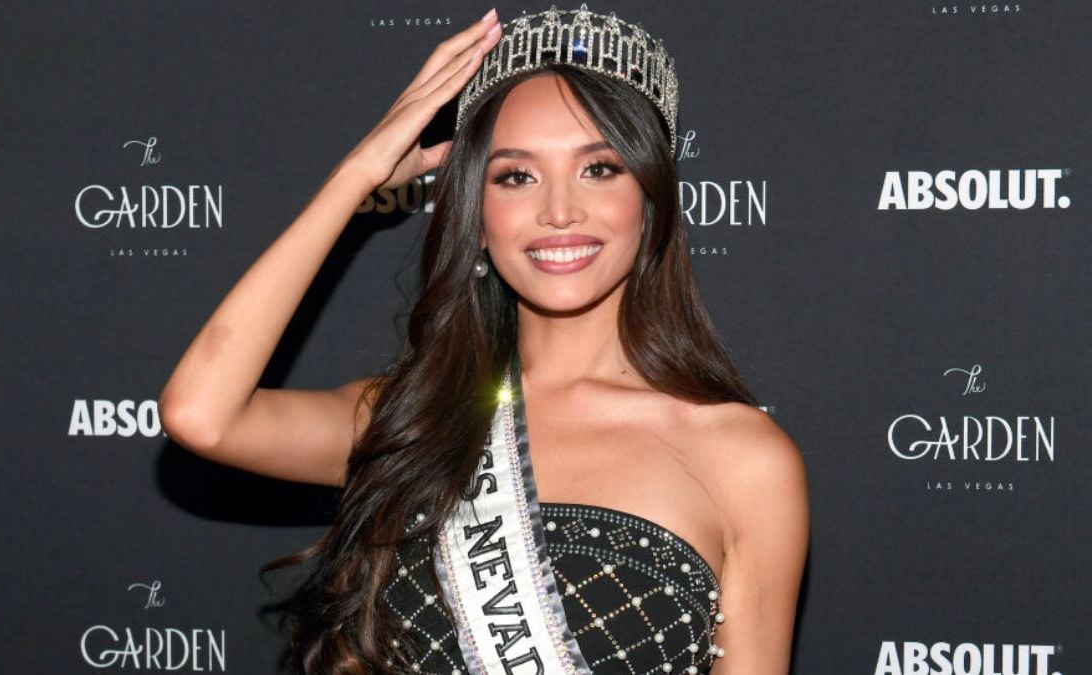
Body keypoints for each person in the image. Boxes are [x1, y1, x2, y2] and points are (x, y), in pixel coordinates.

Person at [159, 6, 808, 674]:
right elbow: (201, 413)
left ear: (651, 201)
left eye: (600, 168)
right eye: (516, 175)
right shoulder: (408, 419)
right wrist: (356, 174)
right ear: (477, 209)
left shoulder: (743, 460)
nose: (559, 210)